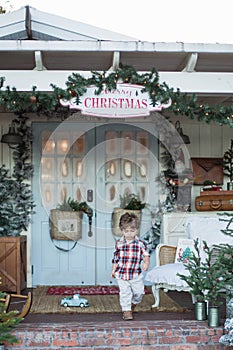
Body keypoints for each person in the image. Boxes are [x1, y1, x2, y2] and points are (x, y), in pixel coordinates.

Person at [111, 212, 150, 320]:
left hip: (135, 274)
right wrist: (113, 270)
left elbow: (146, 255)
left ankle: (133, 303)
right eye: (126, 231)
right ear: (122, 230)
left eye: (132, 231)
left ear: (136, 230)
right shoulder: (119, 244)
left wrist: (146, 263)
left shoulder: (140, 244)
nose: (129, 233)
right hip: (122, 274)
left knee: (139, 293)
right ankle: (126, 311)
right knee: (125, 293)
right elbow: (115, 258)